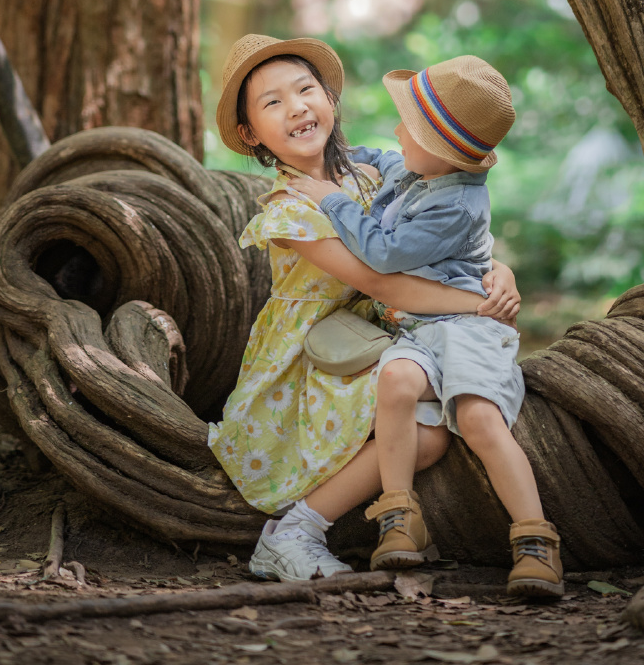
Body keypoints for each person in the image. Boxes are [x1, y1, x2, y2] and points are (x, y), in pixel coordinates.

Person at [207, 34, 520, 583]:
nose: (297, 107)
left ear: (330, 98)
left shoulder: (375, 173)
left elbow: (449, 230)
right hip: (316, 352)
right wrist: (480, 305)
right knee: (429, 434)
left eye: (306, 89)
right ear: (250, 133)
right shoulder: (290, 209)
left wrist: (498, 273)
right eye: (272, 102)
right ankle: (295, 531)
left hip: (384, 335)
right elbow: (387, 284)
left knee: (437, 418)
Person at [289, 56, 563, 599]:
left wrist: (333, 199)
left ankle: (535, 542)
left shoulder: (457, 204)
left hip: (468, 327)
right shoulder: (418, 170)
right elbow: (379, 158)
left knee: (481, 418)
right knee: (396, 385)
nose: (395, 133)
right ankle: (399, 514)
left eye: (408, 129)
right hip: (419, 330)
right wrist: (334, 160)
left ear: (443, 152)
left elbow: (384, 255)